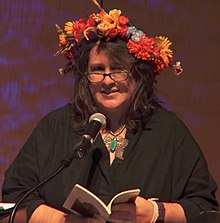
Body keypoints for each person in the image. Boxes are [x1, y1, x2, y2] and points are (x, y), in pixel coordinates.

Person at [2, 0, 219, 222]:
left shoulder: (169, 131)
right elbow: (13, 201)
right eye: (97, 70)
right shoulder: (54, 127)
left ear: (139, 75)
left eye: (118, 70)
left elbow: (204, 209)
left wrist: (155, 213)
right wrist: (62, 221)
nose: (107, 81)